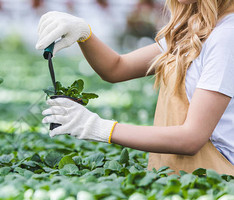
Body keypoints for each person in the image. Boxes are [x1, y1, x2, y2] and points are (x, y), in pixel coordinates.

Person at [37, 0, 234, 175]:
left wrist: (99, 128)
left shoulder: (227, 37)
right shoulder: (195, 30)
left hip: (216, 176)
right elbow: (116, 68)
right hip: (183, 176)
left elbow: (191, 138)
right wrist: (83, 33)